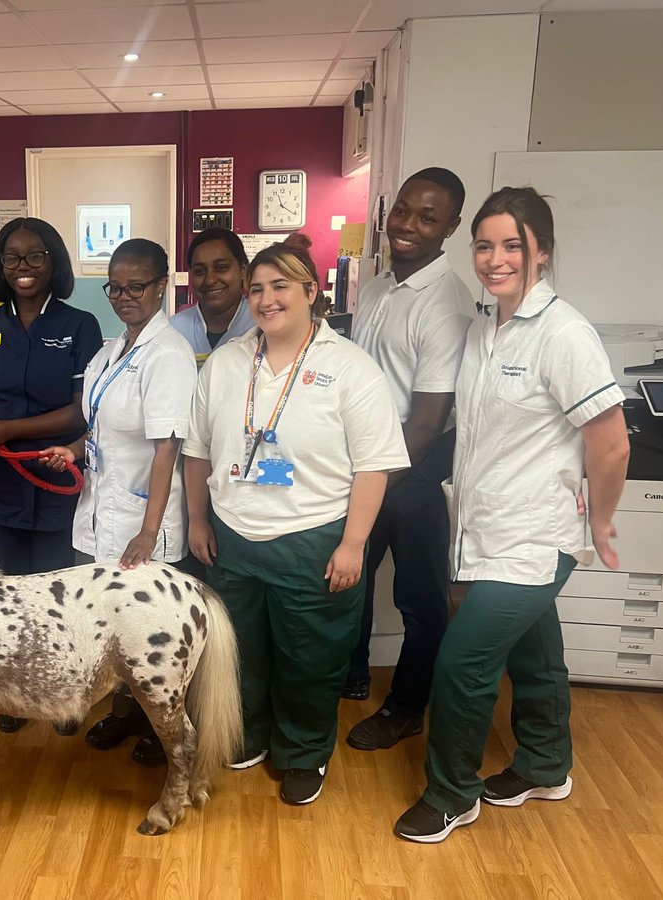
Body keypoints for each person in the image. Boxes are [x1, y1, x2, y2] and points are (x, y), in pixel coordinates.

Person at [394, 187, 629, 843]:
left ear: (543, 252)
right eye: (486, 245)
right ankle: (548, 765)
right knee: (535, 655)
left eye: (512, 246)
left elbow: (611, 442)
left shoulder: (564, 334)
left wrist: (601, 522)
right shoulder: (481, 328)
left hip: (537, 535)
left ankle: (451, 794)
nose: (496, 259)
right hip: (483, 530)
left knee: (463, 665)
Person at [182, 235, 409, 805]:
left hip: (313, 536)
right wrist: (198, 521)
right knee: (241, 653)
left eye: (280, 285)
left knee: (310, 657)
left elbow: (374, 466)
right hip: (233, 533)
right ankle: (250, 733)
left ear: (312, 291)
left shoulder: (352, 369)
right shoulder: (229, 362)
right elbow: (197, 450)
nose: (267, 298)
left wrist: (354, 544)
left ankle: (305, 750)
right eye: (257, 288)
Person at [0, 216, 103, 732]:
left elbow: (80, 411)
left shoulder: (79, 325)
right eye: (12, 258)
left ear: (54, 263)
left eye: (35, 257)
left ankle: (58, 692)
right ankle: (12, 694)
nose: (23, 267)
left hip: (53, 474)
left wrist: (8, 429)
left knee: (54, 591)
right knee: (7, 591)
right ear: (0, 266)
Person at [40, 238, 199, 765]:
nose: (124, 295)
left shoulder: (169, 354)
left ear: (161, 286)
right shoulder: (114, 348)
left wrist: (149, 531)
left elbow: (167, 448)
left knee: (146, 628)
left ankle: (160, 724)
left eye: (138, 286)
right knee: (113, 624)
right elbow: (101, 428)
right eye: (116, 286)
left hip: (140, 517)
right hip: (100, 508)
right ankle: (126, 712)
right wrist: (72, 450)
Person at [343, 168, 474, 748]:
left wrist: (370, 484)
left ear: (451, 226)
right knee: (347, 581)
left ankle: (407, 706)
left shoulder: (445, 304)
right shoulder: (376, 287)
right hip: (366, 462)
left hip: (411, 472)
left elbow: (425, 422)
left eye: (427, 217)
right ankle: (348, 676)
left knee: (420, 599)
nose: (408, 226)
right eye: (402, 211)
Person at [171, 227, 256, 368]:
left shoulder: (261, 325)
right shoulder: (174, 329)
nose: (210, 280)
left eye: (221, 268)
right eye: (199, 271)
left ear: (243, 270)